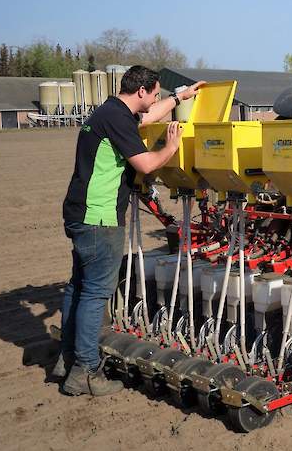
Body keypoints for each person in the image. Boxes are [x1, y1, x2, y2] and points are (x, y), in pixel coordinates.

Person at [55, 65, 203, 396]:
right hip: (100, 218)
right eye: (155, 93)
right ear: (141, 92)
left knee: (77, 287)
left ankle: (66, 360)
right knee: (95, 294)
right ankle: (86, 372)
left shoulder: (109, 112)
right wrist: (171, 147)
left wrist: (180, 97)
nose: (155, 99)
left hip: (80, 212)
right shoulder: (118, 118)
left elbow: (148, 118)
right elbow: (147, 164)